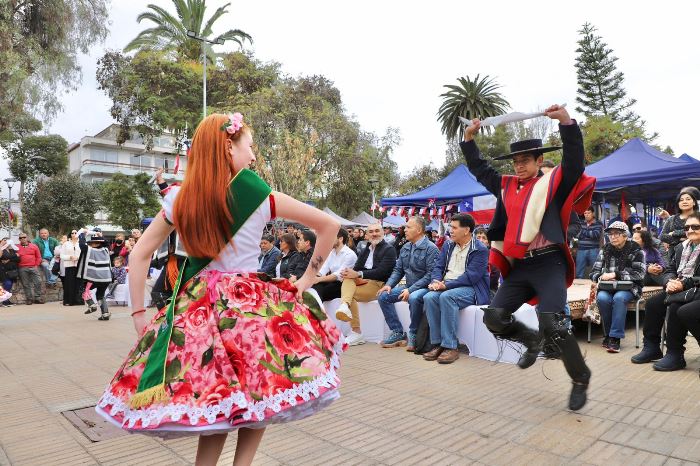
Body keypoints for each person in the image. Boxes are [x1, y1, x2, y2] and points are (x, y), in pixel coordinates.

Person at [95, 113, 343, 465]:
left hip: (197, 311)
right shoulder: (260, 195)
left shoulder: (179, 199)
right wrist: (305, 281)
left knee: (217, 400)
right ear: (229, 145)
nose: (253, 156)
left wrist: (139, 314)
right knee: (261, 388)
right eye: (250, 147)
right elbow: (329, 226)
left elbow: (139, 255)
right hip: (250, 307)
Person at [462, 104, 595, 410]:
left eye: (525, 160)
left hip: (549, 262)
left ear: (539, 160)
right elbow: (481, 169)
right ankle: (532, 341)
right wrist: (469, 140)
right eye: (516, 161)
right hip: (521, 265)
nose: (519, 165)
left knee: (555, 325)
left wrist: (565, 122)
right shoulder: (506, 186)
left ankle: (580, 378)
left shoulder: (553, 185)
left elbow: (574, 162)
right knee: (493, 317)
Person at [632, 212, 700, 370]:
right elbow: (669, 269)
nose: (690, 230)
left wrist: (685, 283)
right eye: (687, 227)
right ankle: (652, 348)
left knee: (677, 306)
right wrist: (669, 281)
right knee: (653, 303)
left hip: (695, 289)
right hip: (680, 287)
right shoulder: (680, 247)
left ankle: (675, 354)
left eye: (695, 226)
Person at [420, 214, 490, 363]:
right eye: (450, 227)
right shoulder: (448, 245)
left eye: (454, 227)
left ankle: (451, 346)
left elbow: (472, 277)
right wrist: (436, 281)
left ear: (466, 230)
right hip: (446, 285)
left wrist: (445, 285)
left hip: (472, 288)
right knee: (429, 297)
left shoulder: (480, 249)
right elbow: (438, 266)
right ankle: (438, 344)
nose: (450, 230)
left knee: (447, 296)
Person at [377, 216, 439, 350]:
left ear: (419, 230)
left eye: (408, 227)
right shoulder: (405, 247)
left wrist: (410, 290)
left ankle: (414, 332)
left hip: (425, 287)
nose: (404, 230)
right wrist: (389, 285)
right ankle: (398, 332)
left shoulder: (431, 248)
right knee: (383, 296)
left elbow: (430, 276)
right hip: (409, 286)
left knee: (414, 297)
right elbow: (398, 270)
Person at [335, 222, 397, 346]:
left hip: (379, 284)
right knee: (347, 279)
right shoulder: (365, 250)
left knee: (348, 293)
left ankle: (356, 331)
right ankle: (347, 311)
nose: (374, 234)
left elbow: (382, 272)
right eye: (371, 232)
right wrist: (351, 273)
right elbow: (357, 268)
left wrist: (359, 275)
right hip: (363, 283)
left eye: (377, 231)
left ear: (383, 233)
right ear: (367, 235)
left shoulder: (389, 249)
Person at [589, 221, 646, 353]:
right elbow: (593, 272)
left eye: (617, 234)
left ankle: (614, 338)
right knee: (602, 298)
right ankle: (608, 335)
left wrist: (616, 275)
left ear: (626, 235)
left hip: (629, 287)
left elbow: (639, 274)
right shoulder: (605, 249)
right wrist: (602, 276)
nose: (613, 237)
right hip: (607, 287)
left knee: (619, 298)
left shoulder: (636, 250)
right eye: (610, 234)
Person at [312, 228, 357, 301]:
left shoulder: (350, 254)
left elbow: (338, 275)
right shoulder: (331, 252)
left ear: (340, 239)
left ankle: (315, 310)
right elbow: (323, 269)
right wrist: (314, 278)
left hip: (344, 284)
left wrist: (318, 279)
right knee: (312, 287)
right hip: (331, 281)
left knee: (320, 291)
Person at [76, 231, 112, 320]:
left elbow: (81, 244)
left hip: (93, 278)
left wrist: (82, 234)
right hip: (106, 278)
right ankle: (105, 313)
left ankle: (91, 304)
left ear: (93, 244)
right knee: (100, 295)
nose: (90, 245)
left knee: (83, 290)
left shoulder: (89, 249)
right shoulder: (106, 250)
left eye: (91, 243)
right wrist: (101, 236)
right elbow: (107, 243)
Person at [659, 187, 699, 256]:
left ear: (694, 202)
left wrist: (674, 233)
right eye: (681, 200)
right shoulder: (672, 219)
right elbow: (662, 236)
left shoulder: (698, 217)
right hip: (673, 254)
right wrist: (680, 239)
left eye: (688, 199)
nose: (684, 201)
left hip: (695, 253)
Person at [575, 207, 603, 278]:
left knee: (596, 271)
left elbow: (595, 235)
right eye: (585, 213)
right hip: (581, 249)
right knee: (579, 272)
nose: (586, 215)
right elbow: (577, 234)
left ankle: (596, 286)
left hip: (593, 250)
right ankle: (579, 287)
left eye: (589, 213)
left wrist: (582, 231)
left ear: (593, 213)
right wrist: (589, 233)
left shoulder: (598, 223)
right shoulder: (580, 223)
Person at [16, 233, 43, 304]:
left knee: (38, 281)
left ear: (27, 238)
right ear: (19, 239)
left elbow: (39, 257)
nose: (22, 239)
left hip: (33, 267)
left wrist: (36, 264)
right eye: (20, 238)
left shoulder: (34, 246)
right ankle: (29, 299)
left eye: (24, 237)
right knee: (26, 284)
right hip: (22, 268)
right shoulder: (16, 247)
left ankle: (38, 298)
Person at [60, 229, 82, 306]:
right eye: (72, 233)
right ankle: (69, 301)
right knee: (69, 284)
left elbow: (84, 254)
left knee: (78, 283)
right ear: (70, 234)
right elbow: (62, 255)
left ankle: (78, 300)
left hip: (79, 266)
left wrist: (78, 258)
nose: (74, 234)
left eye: (76, 232)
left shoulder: (81, 243)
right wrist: (70, 257)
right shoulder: (66, 244)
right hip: (69, 266)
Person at [0, 238, 19, 306]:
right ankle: (5, 300)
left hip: (11, 270)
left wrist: (8, 259)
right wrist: (14, 256)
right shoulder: (2, 249)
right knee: (7, 283)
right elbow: (1, 256)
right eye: (4, 240)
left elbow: (18, 258)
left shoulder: (12, 249)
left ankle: (6, 300)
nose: (7, 242)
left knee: (10, 284)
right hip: (3, 270)